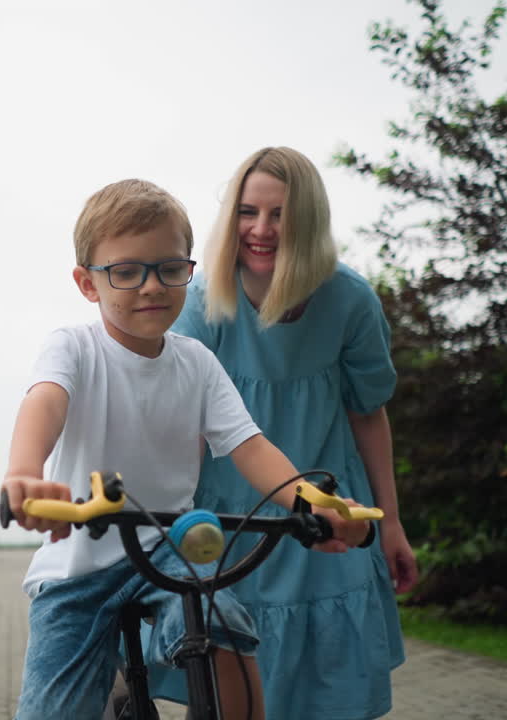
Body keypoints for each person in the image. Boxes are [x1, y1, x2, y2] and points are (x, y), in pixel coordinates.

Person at [1, 178, 374, 720]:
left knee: (223, 625)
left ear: (187, 270)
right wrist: (23, 474)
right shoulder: (74, 348)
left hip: (167, 548)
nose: (151, 286)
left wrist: (310, 502)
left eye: (169, 268)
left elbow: (250, 446)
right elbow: (45, 404)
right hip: (77, 563)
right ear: (88, 283)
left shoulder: (196, 361)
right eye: (126, 272)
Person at [148, 147, 420, 719]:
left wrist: (390, 521)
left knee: (333, 694)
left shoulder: (350, 301)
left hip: (326, 513)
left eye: (280, 215)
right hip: (232, 523)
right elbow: (183, 427)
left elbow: (367, 413)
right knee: (231, 692)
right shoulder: (202, 304)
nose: (262, 230)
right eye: (248, 212)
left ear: (309, 220)